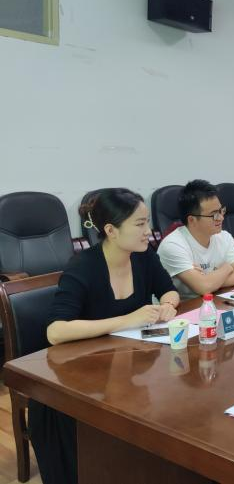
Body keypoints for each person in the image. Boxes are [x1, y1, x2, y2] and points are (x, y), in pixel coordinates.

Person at [34, 188, 181, 484]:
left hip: (123, 362)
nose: (148, 231)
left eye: (148, 222)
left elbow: (169, 290)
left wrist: (167, 305)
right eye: (140, 224)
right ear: (111, 231)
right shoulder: (83, 266)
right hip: (78, 378)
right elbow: (56, 331)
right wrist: (126, 320)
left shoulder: (144, 256)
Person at [158, 179, 234, 298]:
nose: (221, 218)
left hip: (216, 299)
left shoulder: (224, 236)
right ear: (192, 220)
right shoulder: (173, 245)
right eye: (214, 214)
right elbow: (204, 287)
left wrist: (210, 281)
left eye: (221, 211)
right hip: (183, 306)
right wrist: (228, 267)